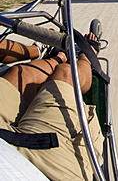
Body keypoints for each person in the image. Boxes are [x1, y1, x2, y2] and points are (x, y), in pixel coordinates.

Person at [0, 32, 104, 180]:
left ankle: (58, 57)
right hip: (41, 168)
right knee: (65, 73)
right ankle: (87, 56)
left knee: (21, 73)